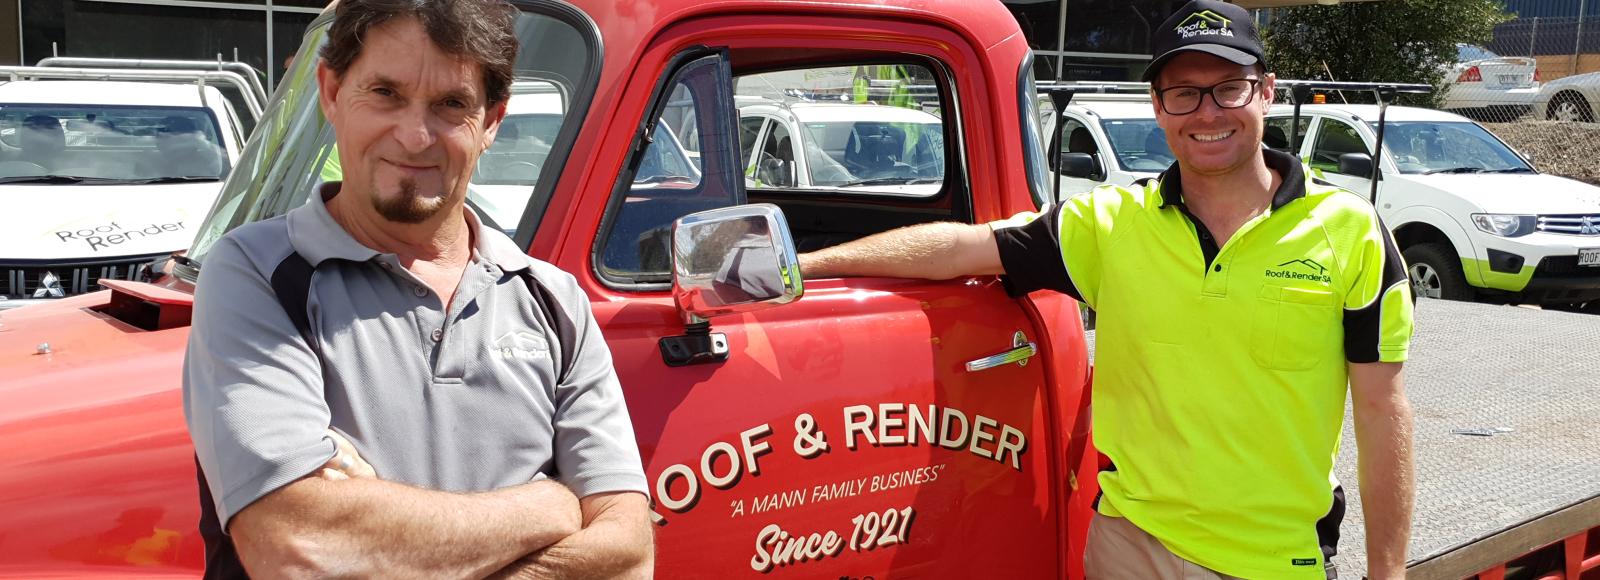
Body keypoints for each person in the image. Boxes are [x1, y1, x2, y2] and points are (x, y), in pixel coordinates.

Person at [800, 1, 1414, 578]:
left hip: (1274, 559)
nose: (1207, 113)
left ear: (1267, 91)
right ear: (1157, 105)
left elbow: (1382, 410)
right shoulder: (1112, 223)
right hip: (1130, 544)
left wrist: (1387, 571)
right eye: (1183, 93)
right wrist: (804, 267)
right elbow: (961, 247)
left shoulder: (1348, 231)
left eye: (1229, 88)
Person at [183, 1, 653, 578]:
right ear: (330, 92)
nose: (414, 136)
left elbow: (629, 557)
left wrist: (377, 532)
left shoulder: (554, 301)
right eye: (384, 92)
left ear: (493, 122)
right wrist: (549, 505)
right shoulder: (257, 274)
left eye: (451, 104)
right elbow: (297, 546)